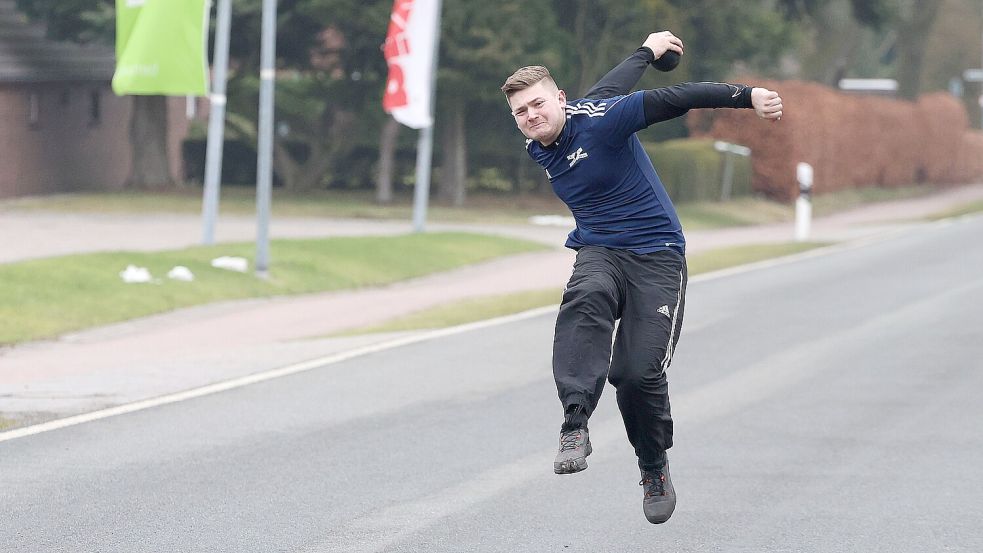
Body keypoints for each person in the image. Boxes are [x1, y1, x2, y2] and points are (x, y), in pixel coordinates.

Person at [500, 31, 783, 524]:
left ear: (560, 99)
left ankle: (653, 467)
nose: (532, 117)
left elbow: (678, 97)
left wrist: (748, 97)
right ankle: (574, 424)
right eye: (521, 113)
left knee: (635, 375)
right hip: (600, 249)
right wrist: (648, 51)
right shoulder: (540, 144)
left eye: (538, 105)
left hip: (657, 256)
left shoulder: (605, 121)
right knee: (584, 297)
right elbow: (613, 82)